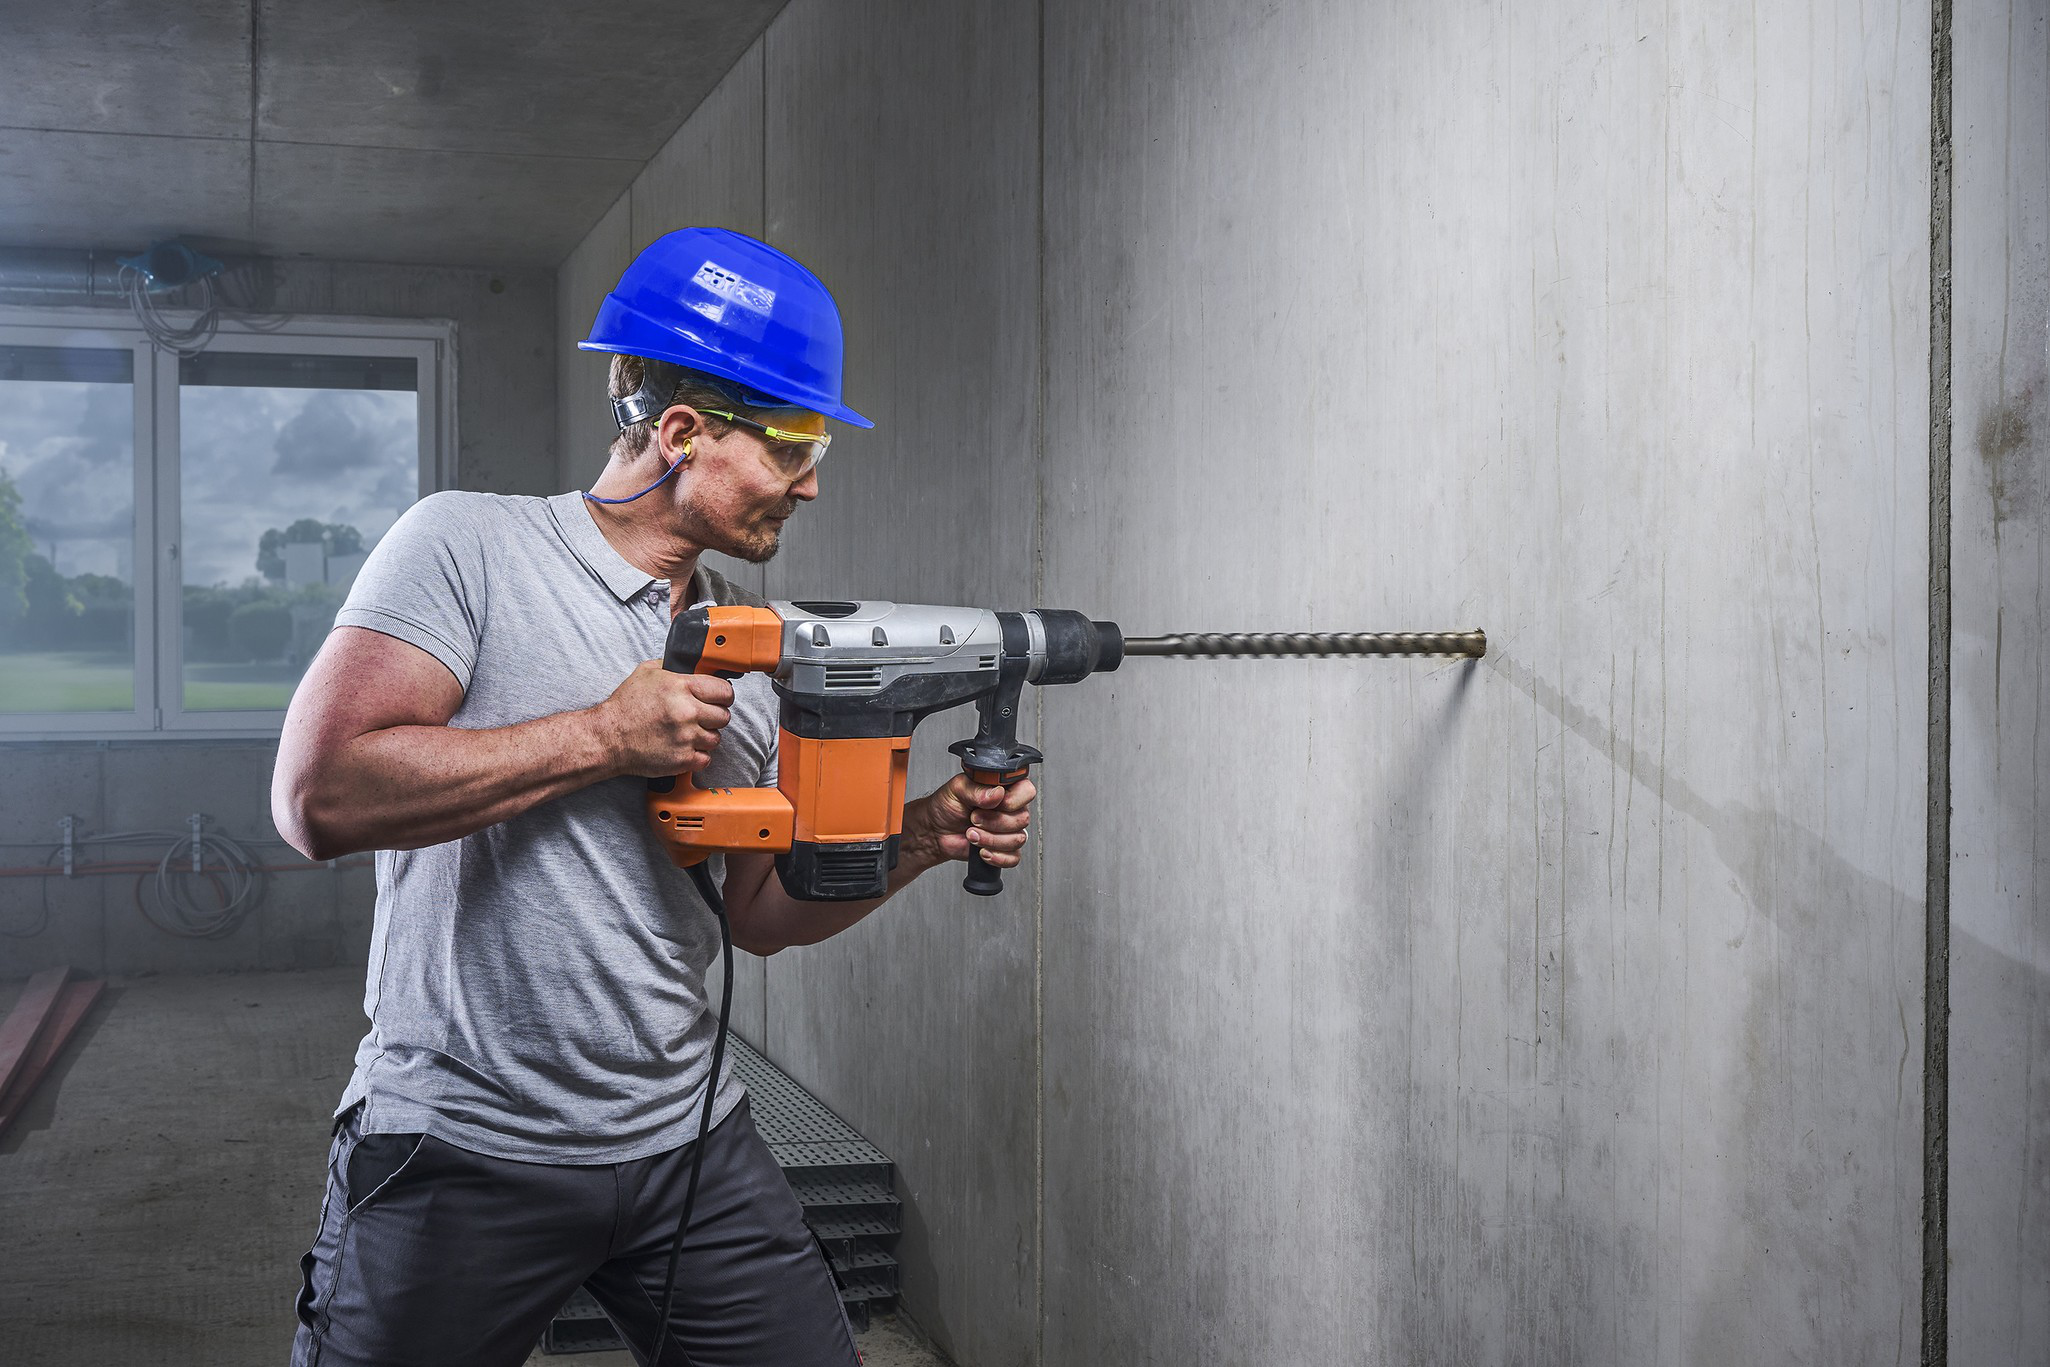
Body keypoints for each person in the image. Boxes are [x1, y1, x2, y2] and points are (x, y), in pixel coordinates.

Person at [272, 227, 1034, 1367]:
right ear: (680, 434)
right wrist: (597, 735)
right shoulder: (469, 546)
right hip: (462, 1146)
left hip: (688, 1142)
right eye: (790, 444)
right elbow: (318, 796)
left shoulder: (751, 645)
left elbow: (763, 918)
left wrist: (925, 833)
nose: (812, 480)